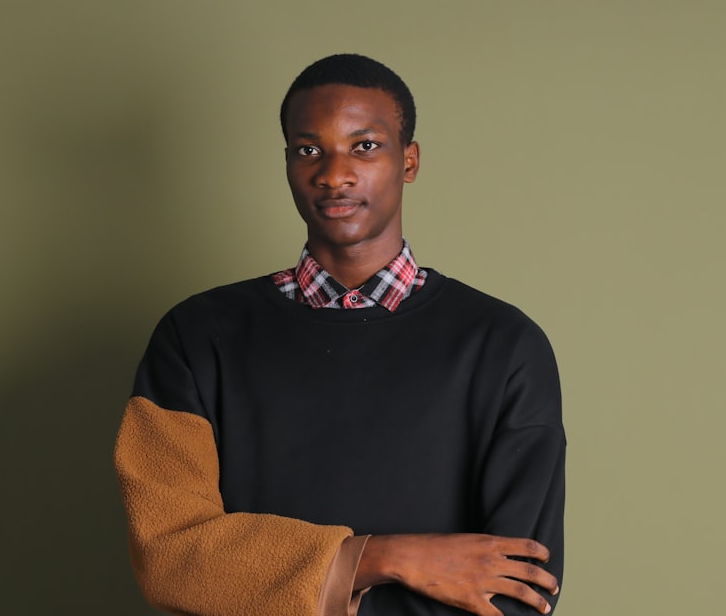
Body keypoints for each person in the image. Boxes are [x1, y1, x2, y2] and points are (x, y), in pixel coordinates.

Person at [114, 54, 565, 616]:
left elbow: (517, 595)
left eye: (365, 145)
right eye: (309, 150)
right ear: (286, 162)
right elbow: (169, 557)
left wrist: (295, 588)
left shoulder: (505, 346)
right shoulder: (194, 337)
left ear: (410, 160)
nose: (334, 174)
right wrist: (384, 557)